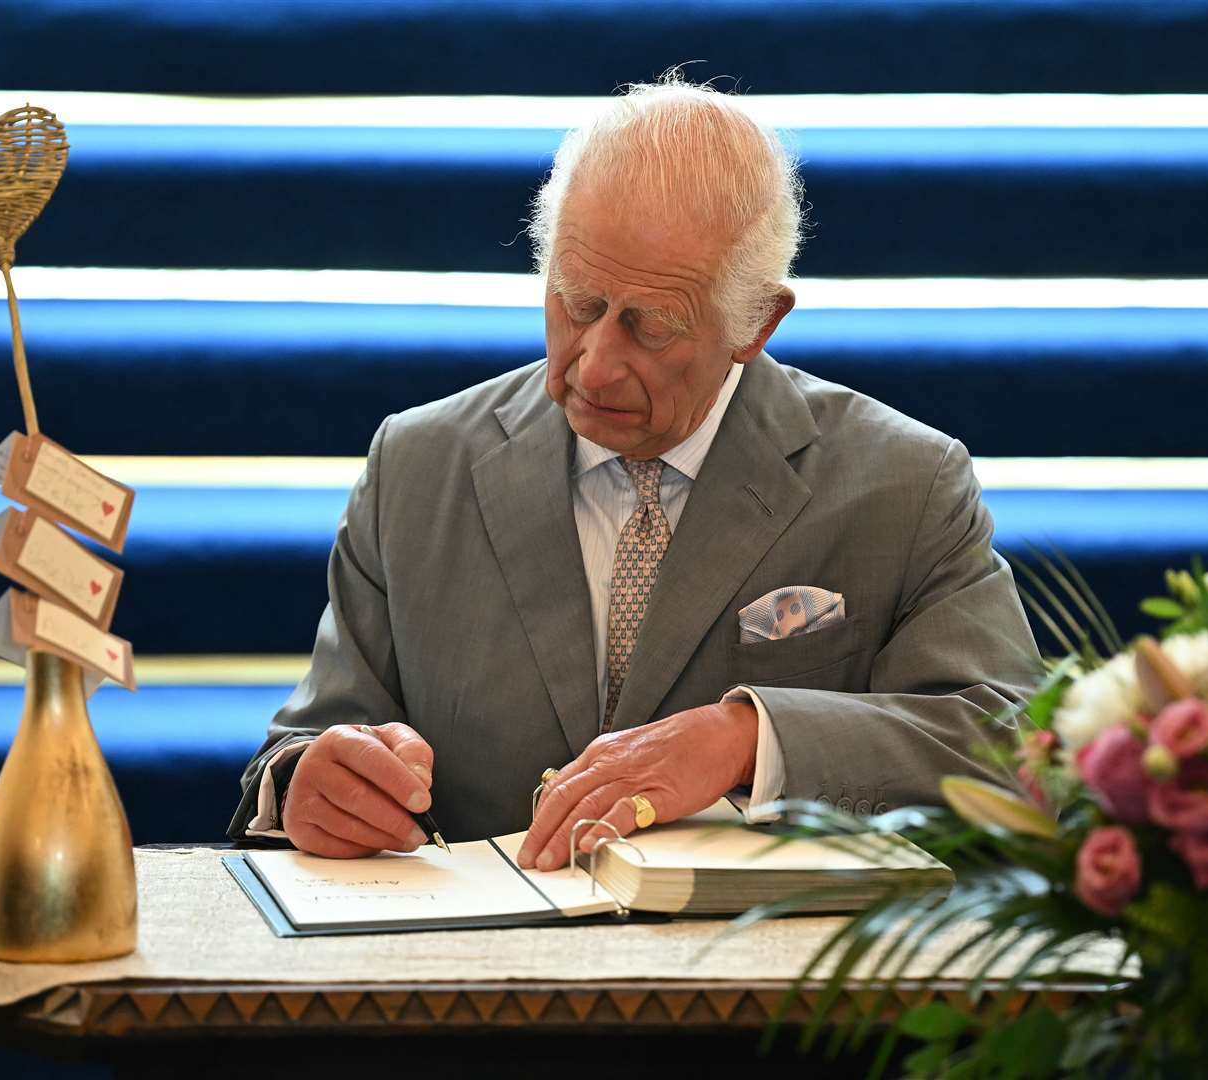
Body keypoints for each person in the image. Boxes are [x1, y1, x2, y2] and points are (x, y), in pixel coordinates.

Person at [227, 75, 1040, 870]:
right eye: (577, 304)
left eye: (650, 328)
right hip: (472, 982)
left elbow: (1015, 748)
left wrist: (749, 738)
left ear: (756, 321)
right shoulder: (419, 465)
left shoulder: (904, 482)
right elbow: (310, 738)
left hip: (761, 988)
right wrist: (305, 783)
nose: (596, 366)